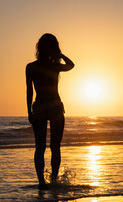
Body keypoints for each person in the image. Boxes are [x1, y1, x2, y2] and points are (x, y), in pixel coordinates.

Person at [26, 33, 74, 190]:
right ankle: (47, 182)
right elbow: (29, 91)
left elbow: (71, 65)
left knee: (48, 147)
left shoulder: (40, 66)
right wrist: (29, 112)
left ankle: (47, 182)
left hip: (46, 107)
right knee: (48, 147)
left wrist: (29, 111)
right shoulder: (35, 67)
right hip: (47, 107)